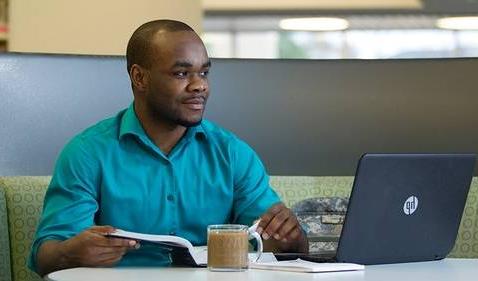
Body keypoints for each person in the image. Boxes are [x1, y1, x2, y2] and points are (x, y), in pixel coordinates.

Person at [29, 19, 308, 276]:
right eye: (181, 73)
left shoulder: (232, 153)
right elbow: (46, 257)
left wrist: (291, 237)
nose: (199, 85)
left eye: (204, 72)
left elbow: (274, 243)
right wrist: (69, 253)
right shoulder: (87, 153)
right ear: (140, 78)